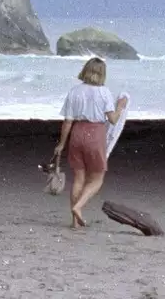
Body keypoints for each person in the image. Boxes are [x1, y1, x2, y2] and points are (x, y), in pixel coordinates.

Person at [53, 57, 128, 229]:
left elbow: (67, 122)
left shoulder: (74, 91)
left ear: (85, 70)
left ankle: (74, 222)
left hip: (77, 133)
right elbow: (113, 120)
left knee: (79, 177)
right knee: (97, 178)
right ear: (102, 74)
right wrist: (121, 106)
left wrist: (61, 144)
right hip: (95, 134)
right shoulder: (104, 92)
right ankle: (78, 207)